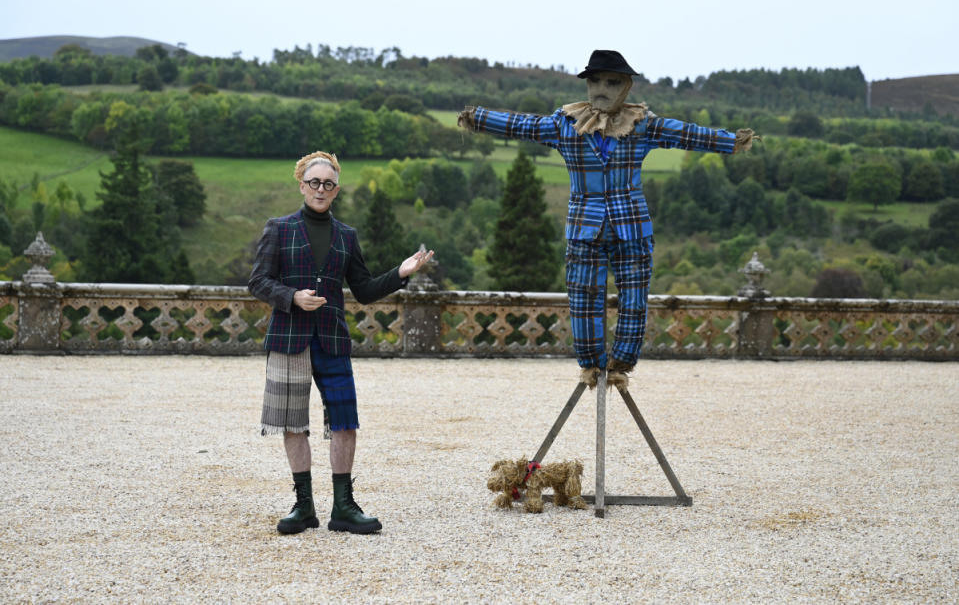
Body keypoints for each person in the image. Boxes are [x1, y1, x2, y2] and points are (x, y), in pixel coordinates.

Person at [458, 50, 757, 390]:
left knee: (634, 299)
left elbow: (686, 133)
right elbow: (523, 126)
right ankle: (591, 365)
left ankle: (621, 364)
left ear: (626, 86)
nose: (601, 88)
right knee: (583, 300)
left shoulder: (641, 124)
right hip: (585, 228)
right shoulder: (565, 123)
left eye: (611, 82)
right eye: (595, 81)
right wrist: (477, 118)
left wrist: (733, 141)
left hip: (632, 229)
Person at [248, 151, 433, 535]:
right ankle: (304, 507)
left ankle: (344, 508)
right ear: (302, 185)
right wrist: (292, 297)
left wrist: (401, 272)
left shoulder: (346, 236)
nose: (321, 189)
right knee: (292, 424)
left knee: (345, 423)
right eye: (314, 182)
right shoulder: (278, 228)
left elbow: (363, 290)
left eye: (328, 184)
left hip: (332, 338)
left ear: (336, 189)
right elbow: (258, 282)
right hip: (289, 338)